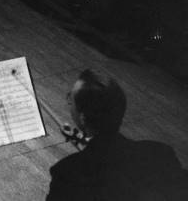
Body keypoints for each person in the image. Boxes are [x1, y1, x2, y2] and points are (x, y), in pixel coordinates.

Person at [47, 69, 188, 200]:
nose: (68, 101)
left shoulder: (67, 174)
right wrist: (88, 144)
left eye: (70, 98)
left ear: (83, 118)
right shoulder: (161, 153)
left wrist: (88, 154)